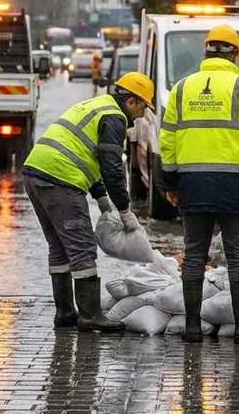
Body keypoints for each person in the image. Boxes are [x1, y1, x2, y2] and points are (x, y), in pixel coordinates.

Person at [161, 24, 239, 344]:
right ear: (236, 54)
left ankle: (192, 328)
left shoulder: (182, 89)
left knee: (194, 254)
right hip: (234, 184)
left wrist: (170, 183)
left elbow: (167, 140)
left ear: (206, 52)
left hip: (192, 183)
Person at [22, 72, 155, 333]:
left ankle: (65, 312)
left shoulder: (96, 105)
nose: (142, 114)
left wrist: (102, 198)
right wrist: (125, 210)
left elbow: (85, 154)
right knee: (82, 247)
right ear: (131, 101)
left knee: (59, 247)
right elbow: (111, 167)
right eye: (143, 106)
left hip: (35, 174)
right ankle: (91, 315)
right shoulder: (114, 118)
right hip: (61, 179)